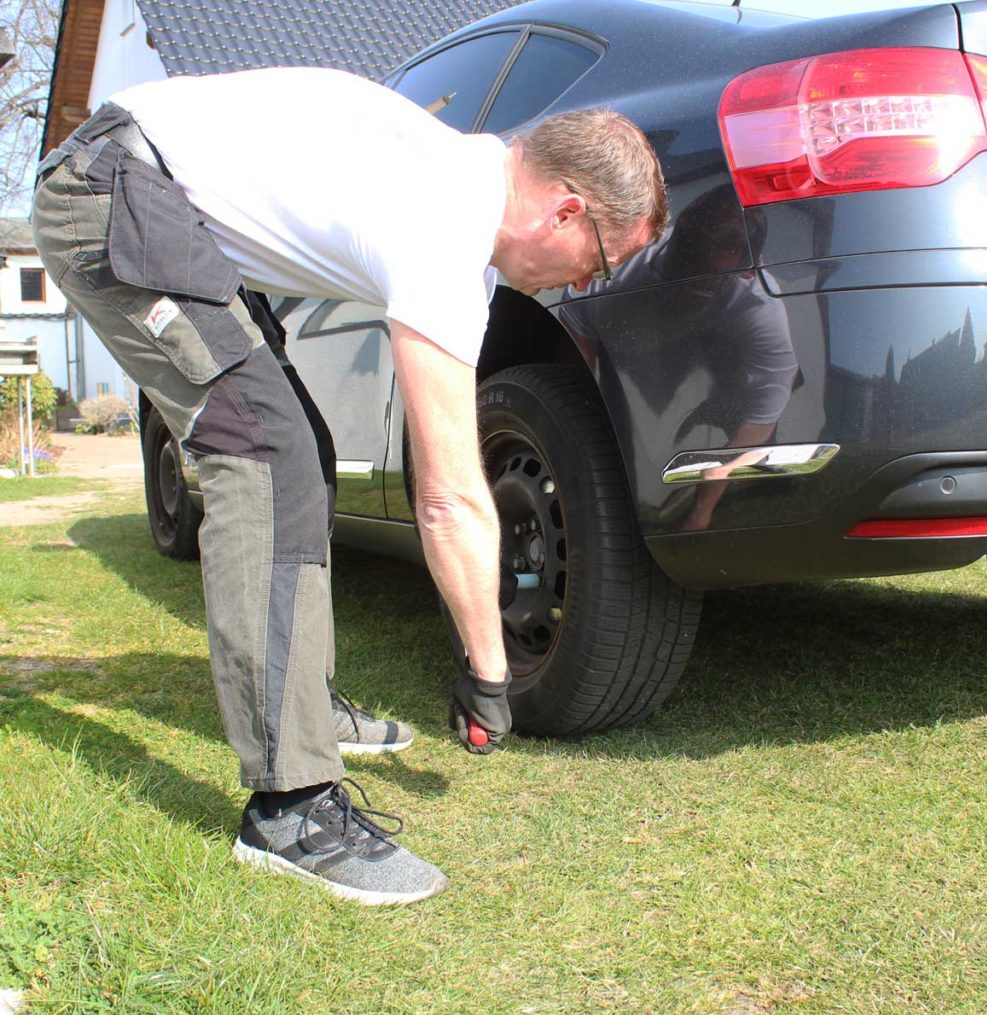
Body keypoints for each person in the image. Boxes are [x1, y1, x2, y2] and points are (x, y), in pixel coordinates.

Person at [32, 66, 667, 905]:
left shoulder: (456, 184)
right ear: (567, 211)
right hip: (109, 193)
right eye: (602, 260)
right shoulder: (447, 220)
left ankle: (305, 705)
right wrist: (491, 670)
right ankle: (289, 809)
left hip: (153, 193)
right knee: (265, 456)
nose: (588, 283)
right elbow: (448, 494)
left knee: (306, 451)